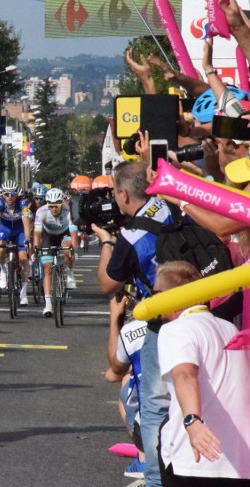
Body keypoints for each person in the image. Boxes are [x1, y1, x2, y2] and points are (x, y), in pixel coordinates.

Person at [92, 160, 175, 487]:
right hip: (200, 305)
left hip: (161, 316)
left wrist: (107, 242)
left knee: (152, 404)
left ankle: (153, 477)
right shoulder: (167, 206)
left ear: (124, 195)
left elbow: (108, 285)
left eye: (114, 191)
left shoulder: (130, 234)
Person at [154, 261, 250, 485]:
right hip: (237, 459)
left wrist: (192, 421)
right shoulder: (229, 328)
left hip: (193, 458)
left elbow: (185, 374)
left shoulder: (175, 330)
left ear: (172, 296)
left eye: (155, 293)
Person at [105, 291, 148, 480]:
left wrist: (115, 319)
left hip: (160, 413)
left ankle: (144, 457)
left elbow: (113, 372)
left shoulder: (134, 330)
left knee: (127, 380)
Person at [33, 187, 79, 318]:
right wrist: (36, 248)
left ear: (61, 204)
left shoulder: (69, 211)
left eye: (56, 206)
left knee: (67, 250)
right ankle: (48, 304)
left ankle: (69, 273)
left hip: (64, 234)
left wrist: (73, 252)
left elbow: (74, 235)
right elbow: (37, 234)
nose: (54, 209)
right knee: (47, 269)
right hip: (48, 235)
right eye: (51, 206)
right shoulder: (41, 212)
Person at [0, 180, 33, 306]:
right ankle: (3, 270)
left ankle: (23, 294)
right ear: (3, 194)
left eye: (12, 194)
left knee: (24, 259)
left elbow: (26, 222)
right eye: (7, 194)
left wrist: (27, 240)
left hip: (19, 230)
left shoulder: (22, 203)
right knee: (1, 248)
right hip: (5, 230)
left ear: (16, 194)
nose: (10, 197)